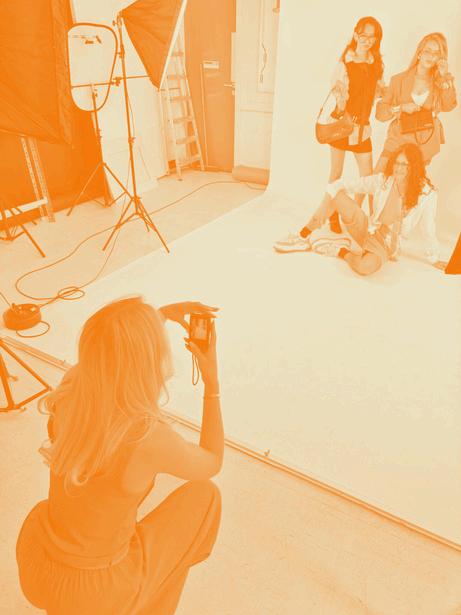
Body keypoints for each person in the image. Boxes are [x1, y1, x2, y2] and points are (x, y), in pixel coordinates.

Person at [16, 297, 223, 615]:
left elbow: (111, 354)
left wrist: (160, 316)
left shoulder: (71, 391)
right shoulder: (147, 436)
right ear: (149, 362)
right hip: (98, 593)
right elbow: (211, 460)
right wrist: (212, 383)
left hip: (41, 568)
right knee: (205, 496)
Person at [275, 143, 446, 276]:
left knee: (364, 268)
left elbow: (428, 227)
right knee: (336, 194)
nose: (399, 168)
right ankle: (303, 236)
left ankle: (341, 250)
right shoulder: (383, 180)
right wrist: (332, 192)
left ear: (414, 167)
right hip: (367, 229)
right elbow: (350, 184)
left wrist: (434, 258)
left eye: (405, 164)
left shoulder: (426, 194)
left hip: (385, 244)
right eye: (397, 163)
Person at [321, 16, 385, 233]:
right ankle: (331, 215)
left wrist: (385, 94)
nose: (368, 40)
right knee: (336, 173)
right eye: (364, 35)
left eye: (373, 37)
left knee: (367, 178)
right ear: (356, 34)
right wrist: (341, 95)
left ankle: (352, 214)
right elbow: (338, 94)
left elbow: (379, 92)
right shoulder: (345, 63)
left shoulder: (376, 65)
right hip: (342, 125)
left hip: (362, 129)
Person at [375, 32, 457, 171]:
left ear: (440, 58)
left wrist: (444, 76)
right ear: (419, 53)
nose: (431, 56)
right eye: (427, 51)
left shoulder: (440, 82)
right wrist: (401, 108)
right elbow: (380, 114)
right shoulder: (398, 80)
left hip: (424, 143)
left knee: (409, 182)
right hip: (398, 138)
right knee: (378, 177)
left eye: (436, 53)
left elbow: (449, 106)